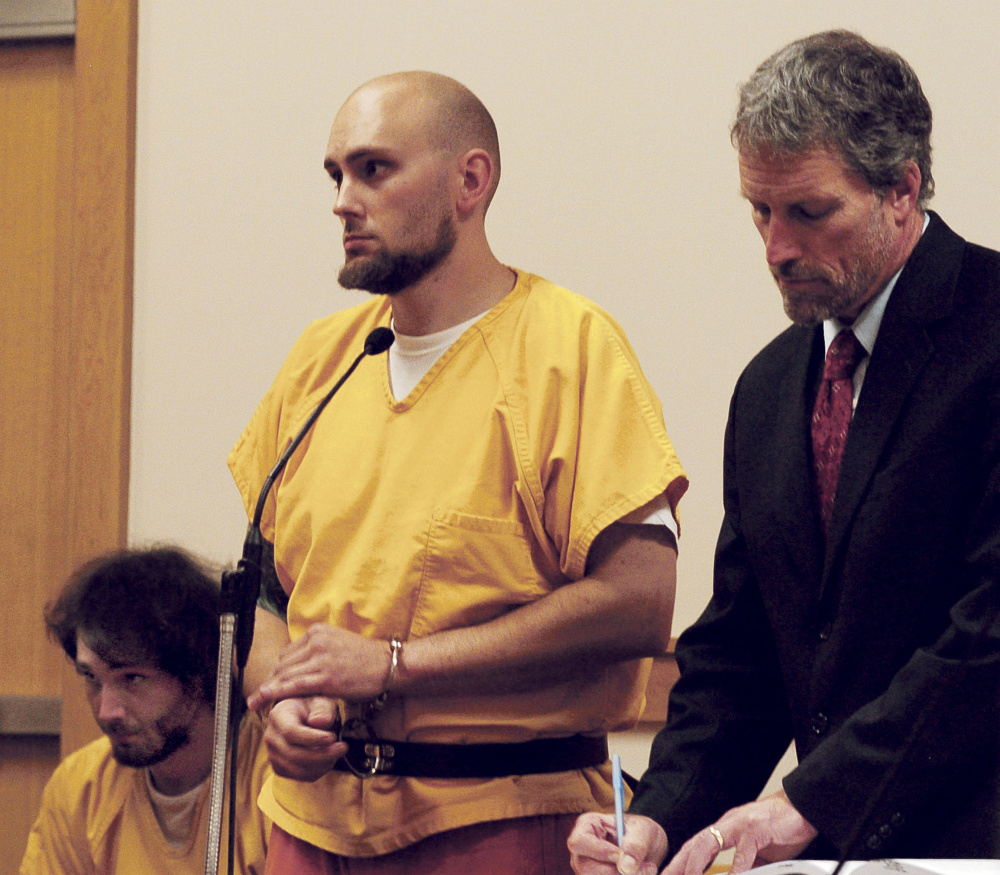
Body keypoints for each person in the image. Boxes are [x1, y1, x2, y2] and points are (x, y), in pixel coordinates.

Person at [230, 71, 687, 873]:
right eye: (336, 175)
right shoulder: (322, 360)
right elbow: (268, 588)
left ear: (470, 181)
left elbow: (638, 603)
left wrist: (394, 665)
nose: (343, 201)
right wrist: (281, 699)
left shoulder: (569, 348)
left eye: (374, 169)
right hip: (311, 823)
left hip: (497, 815)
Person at [568, 29, 1000, 875]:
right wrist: (658, 815)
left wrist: (810, 800)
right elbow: (743, 653)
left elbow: (989, 636)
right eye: (760, 211)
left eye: (809, 212)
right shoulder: (769, 388)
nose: (776, 248)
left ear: (902, 188)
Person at [20, 546, 271, 875]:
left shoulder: (273, 777)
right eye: (91, 678)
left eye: (132, 678)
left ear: (197, 673)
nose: (106, 711)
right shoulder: (81, 787)